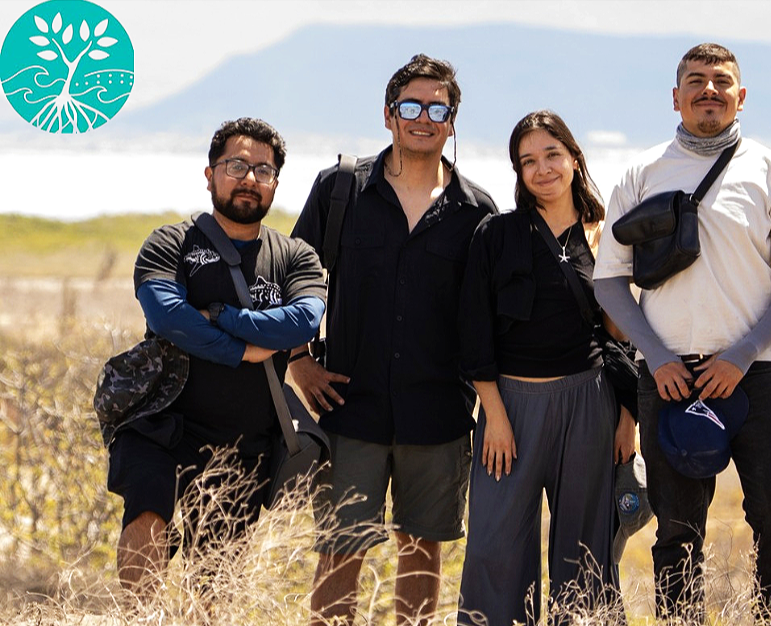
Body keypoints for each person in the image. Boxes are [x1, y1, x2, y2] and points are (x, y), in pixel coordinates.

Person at [594, 43, 771, 623]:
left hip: (757, 375)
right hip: (670, 378)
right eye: (695, 81)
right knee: (676, 531)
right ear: (675, 97)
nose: (708, 91)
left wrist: (743, 355)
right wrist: (656, 356)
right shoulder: (641, 173)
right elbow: (608, 283)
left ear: (740, 96)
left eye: (721, 81)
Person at [289, 54, 498, 626]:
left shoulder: (477, 211)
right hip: (349, 407)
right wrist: (297, 361)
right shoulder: (340, 190)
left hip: (438, 412)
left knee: (422, 549)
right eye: (411, 106)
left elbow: (487, 317)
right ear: (389, 115)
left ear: (452, 121)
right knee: (339, 550)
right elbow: (289, 275)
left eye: (438, 108)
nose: (423, 117)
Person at [107, 117, 327, 601]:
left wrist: (221, 314)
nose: (250, 177)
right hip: (162, 423)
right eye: (237, 165)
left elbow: (303, 322)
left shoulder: (296, 258)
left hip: (245, 440)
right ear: (210, 174)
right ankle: (140, 617)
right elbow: (168, 316)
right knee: (147, 514)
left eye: (264, 170)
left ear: (275, 183)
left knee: (215, 582)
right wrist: (245, 348)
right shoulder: (171, 244)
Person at [457, 110, 633, 626]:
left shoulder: (608, 235)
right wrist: (495, 415)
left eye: (552, 155)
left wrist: (628, 419)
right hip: (508, 404)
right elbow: (474, 332)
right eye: (527, 160)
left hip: (589, 402)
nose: (542, 169)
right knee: (494, 545)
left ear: (575, 160)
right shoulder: (497, 234)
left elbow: (623, 339)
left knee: (587, 550)